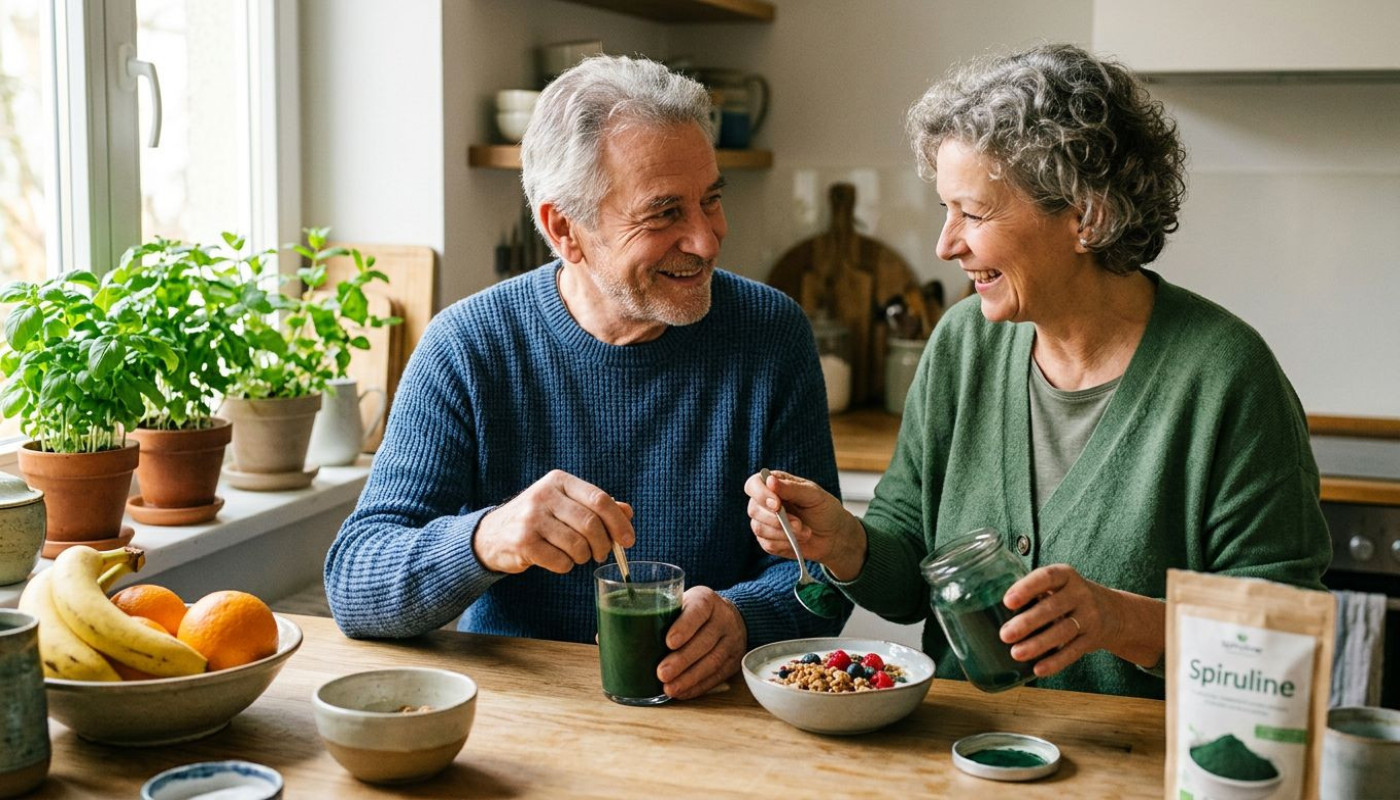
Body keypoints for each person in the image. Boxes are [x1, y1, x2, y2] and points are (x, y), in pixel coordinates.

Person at [744, 44, 1330, 699]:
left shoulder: (1226, 377)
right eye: (945, 209)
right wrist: (844, 541)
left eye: (973, 212)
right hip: (968, 757)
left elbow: (1284, 636)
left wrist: (1118, 620)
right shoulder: (963, 343)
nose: (945, 244)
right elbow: (911, 573)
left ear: (1084, 215)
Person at [324, 55, 846, 700]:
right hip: (521, 720)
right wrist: (488, 537)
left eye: (710, 200)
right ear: (563, 228)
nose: (708, 240)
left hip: (712, 721)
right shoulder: (468, 345)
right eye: (663, 214)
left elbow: (822, 577)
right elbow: (355, 584)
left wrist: (743, 620)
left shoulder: (771, 333)